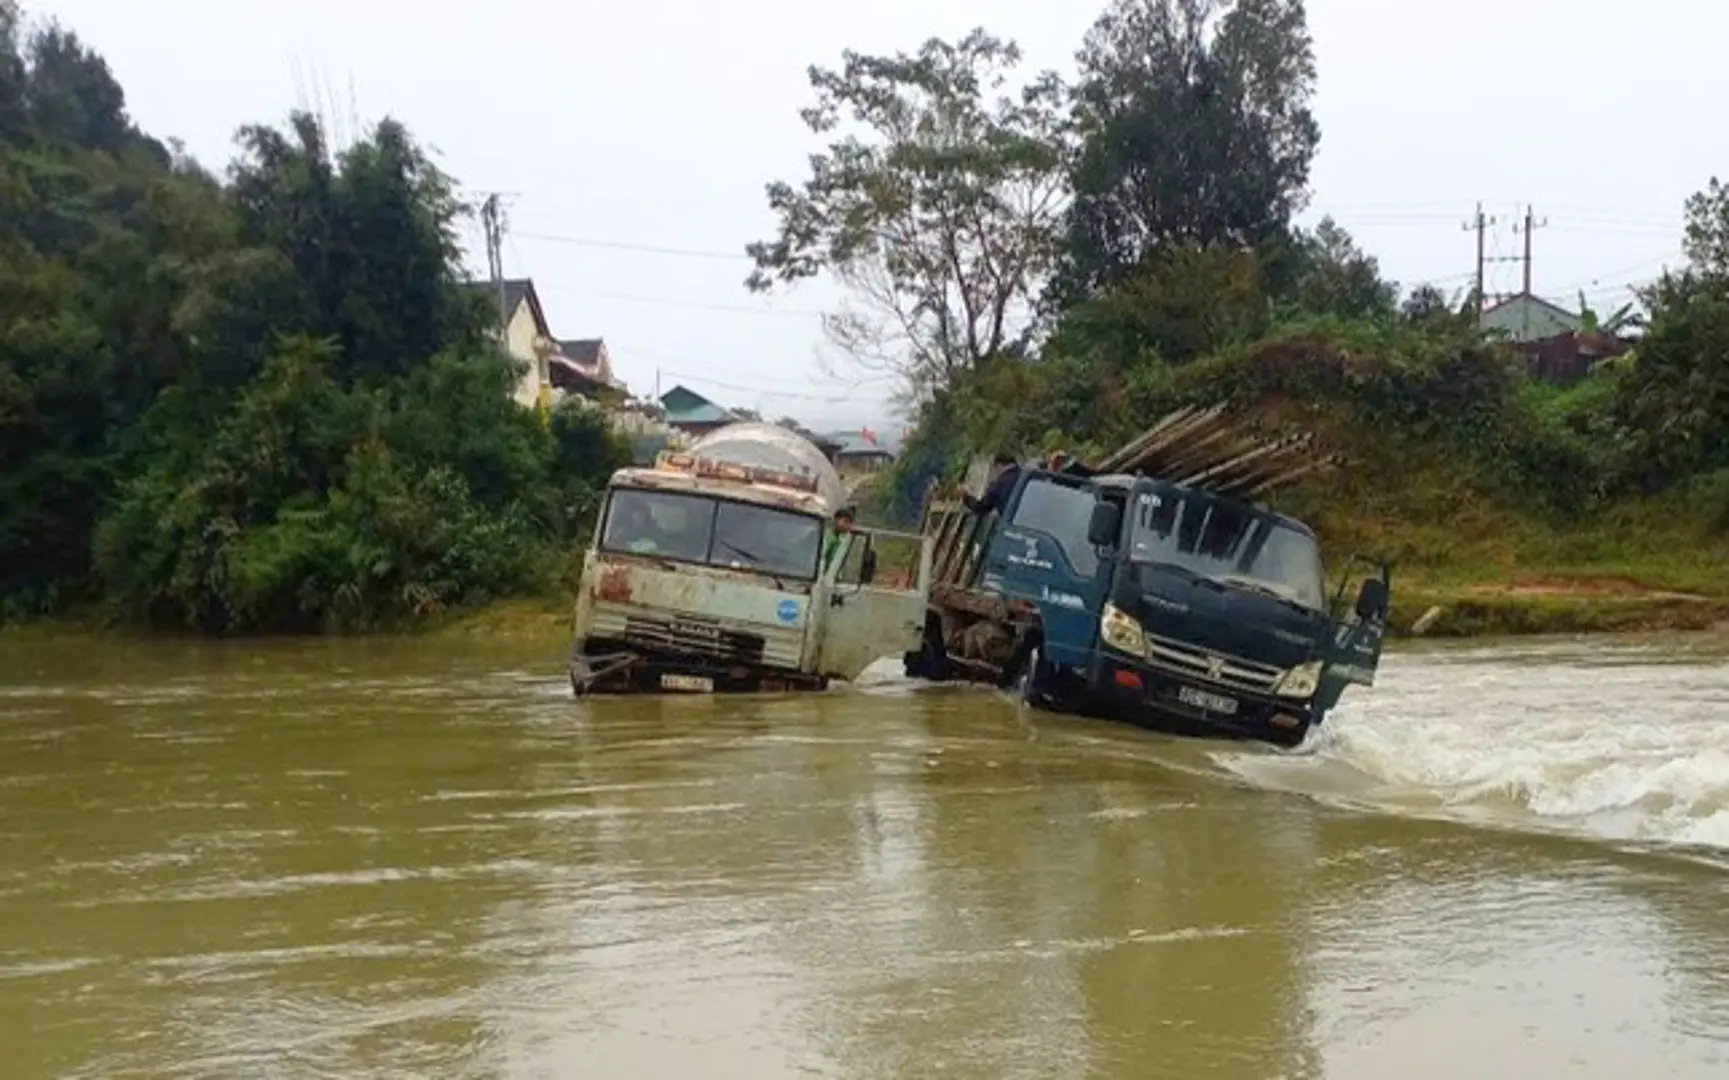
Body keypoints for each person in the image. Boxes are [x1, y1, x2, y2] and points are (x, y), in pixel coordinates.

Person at [963, 453, 1021, 518]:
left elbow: (982, 508)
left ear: (998, 465)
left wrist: (965, 497)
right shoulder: (1031, 476)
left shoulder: (1000, 484)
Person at [823, 506, 856, 571]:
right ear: (836, 520)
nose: (848, 526)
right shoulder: (827, 537)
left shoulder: (844, 539)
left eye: (850, 523)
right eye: (845, 521)